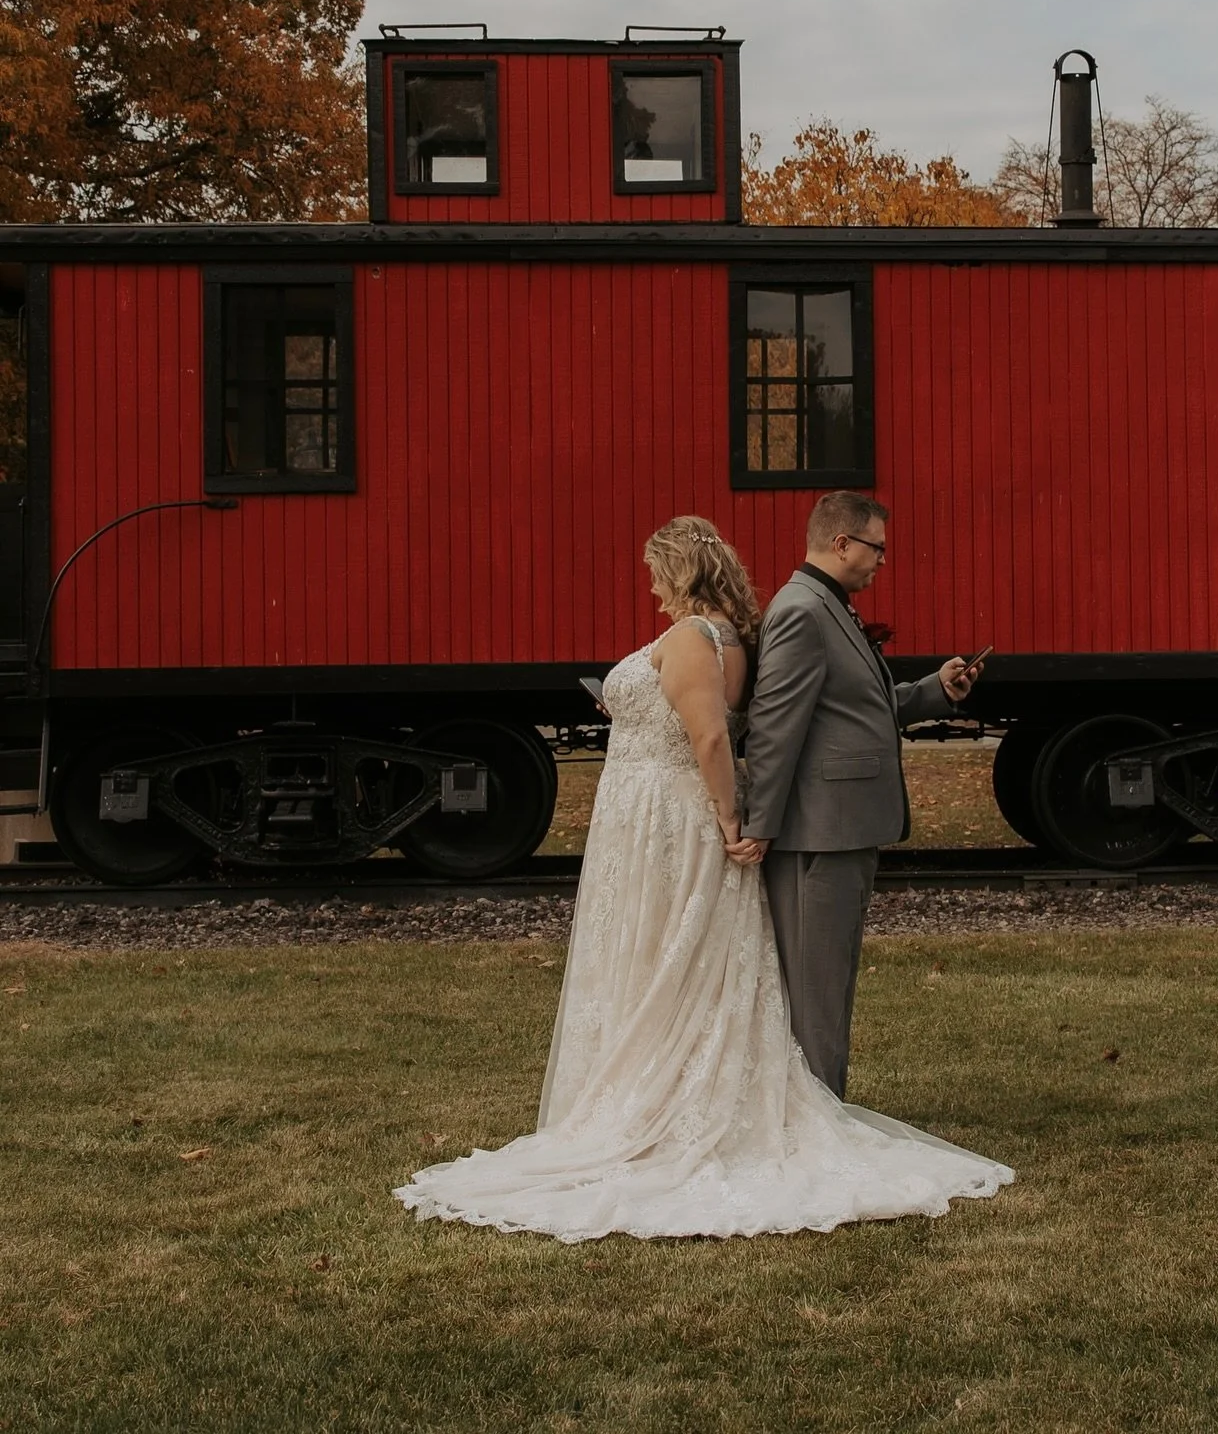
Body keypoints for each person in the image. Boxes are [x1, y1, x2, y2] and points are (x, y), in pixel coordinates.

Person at [394, 514, 1011, 1241]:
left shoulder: (707, 634)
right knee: (679, 964)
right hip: (667, 819)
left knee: (681, 962)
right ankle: (721, 1093)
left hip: (677, 821)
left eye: (656, 574)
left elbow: (732, 733)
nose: (652, 589)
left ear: (677, 571)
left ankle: (758, 1108)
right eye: (878, 547)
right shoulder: (752, 631)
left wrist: (745, 821)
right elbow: (767, 716)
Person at [743, 492, 983, 1098]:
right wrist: (762, 824)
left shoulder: (830, 606)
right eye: (876, 547)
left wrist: (936, 691)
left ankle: (819, 1111)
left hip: (843, 825)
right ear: (841, 543)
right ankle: (814, 1118)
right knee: (816, 985)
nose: (883, 560)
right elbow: (774, 727)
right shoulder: (803, 610)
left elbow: (855, 709)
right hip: (816, 831)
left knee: (830, 978)